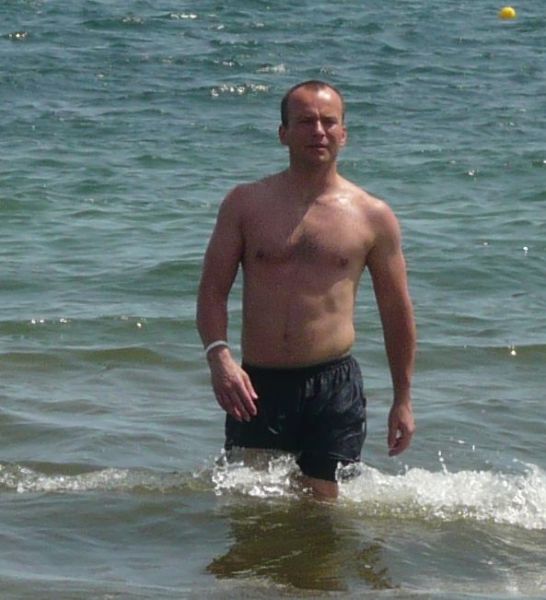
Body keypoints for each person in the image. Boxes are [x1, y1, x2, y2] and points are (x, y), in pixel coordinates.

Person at [196, 80, 416, 499]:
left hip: (333, 386)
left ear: (343, 134)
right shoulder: (245, 204)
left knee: (323, 511)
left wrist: (402, 398)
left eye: (329, 122)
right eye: (305, 121)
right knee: (252, 512)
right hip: (257, 386)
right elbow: (211, 291)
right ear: (283, 133)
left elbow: (396, 311)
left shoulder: (372, 216)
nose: (318, 131)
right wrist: (219, 358)